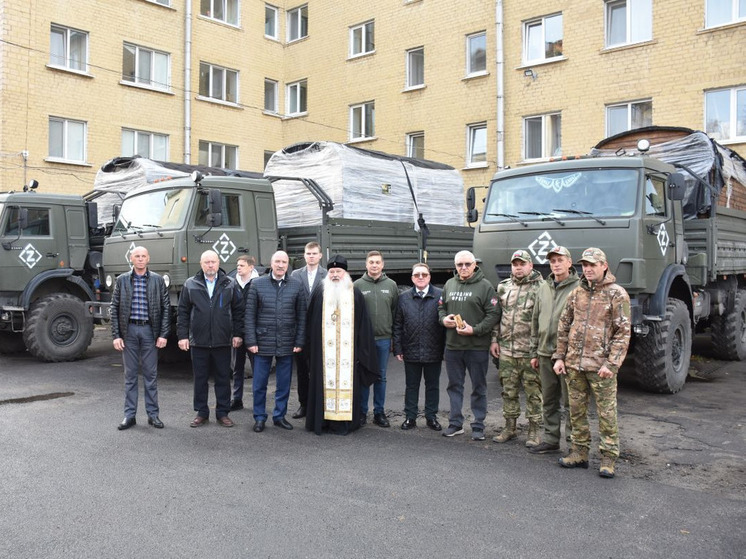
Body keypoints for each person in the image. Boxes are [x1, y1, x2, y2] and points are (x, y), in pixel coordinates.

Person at [553, 247, 631, 478]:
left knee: (606, 413)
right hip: (574, 365)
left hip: (601, 368)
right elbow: (564, 326)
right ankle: (579, 452)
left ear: (604, 265)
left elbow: (623, 332)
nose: (587, 269)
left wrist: (612, 364)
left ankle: (608, 457)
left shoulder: (617, 294)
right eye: (585, 265)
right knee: (576, 412)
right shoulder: (576, 293)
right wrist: (559, 357)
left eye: (592, 265)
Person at [305, 255, 379, 436]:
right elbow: (311, 325)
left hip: (349, 356)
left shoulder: (356, 294)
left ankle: (344, 422)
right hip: (324, 356)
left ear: (345, 273)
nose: (335, 275)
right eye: (332, 271)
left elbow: (364, 326)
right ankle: (322, 421)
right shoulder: (319, 293)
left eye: (339, 271)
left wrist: (363, 352)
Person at [177, 250, 244, 428]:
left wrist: (237, 334)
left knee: (223, 378)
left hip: (223, 341)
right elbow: (182, 312)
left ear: (218, 262)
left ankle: (222, 412)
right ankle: (202, 412)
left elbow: (238, 311)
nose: (210, 265)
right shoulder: (190, 284)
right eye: (206, 262)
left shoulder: (230, 284)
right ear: (201, 264)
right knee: (200, 379)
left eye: (213, 262)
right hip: (198, 341)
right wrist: (183, 336)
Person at [490, 250, 550, 448]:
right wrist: (494, 340)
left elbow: (544, 321)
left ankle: (534, 430)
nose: (518, 267)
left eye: (522, 263)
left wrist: (539, 351)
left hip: (529, 352)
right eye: (515, 264)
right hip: (507, 350)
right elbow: (497, 316)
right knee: (508, 391)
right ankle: (510, 427)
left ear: (530, 266)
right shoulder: (503, 287)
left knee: (534, 393)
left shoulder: (542, 287)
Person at [438, 250, 499, 440]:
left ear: (475, 265)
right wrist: (443, 320)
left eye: (467, 264)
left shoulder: (485, 286)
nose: (463, 268)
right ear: (455, 266)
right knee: (454, 386)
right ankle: (455, 423)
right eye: (459, 265)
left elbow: (494, 314)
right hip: (453, 347)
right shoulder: (449, 284)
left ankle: (478, 425)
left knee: (478, 387)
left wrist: (475, 330)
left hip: (477, 347)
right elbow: (441, 307)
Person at [245, 250, 307, 433]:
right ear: (271, 264)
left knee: (284, 383)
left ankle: (279, 416)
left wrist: (299, 340)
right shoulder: (257, 284)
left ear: (288, 265)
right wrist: (251, 340)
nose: (281, 265)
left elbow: (302, 317)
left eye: (284, 262)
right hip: (262, 341)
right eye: (277, 261)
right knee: (259, 384)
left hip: (287, 341)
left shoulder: (296, 285)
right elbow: (249, 316)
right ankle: (259, 417)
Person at [111, 246, 170, 430]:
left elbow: (166, 308)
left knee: (150, 376)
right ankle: (129, 416)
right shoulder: (121, 280)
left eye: (143, 256)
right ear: (131, 258)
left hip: (149, 332)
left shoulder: (157, 280)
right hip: (128, 331)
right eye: (137, 256)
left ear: (148, 259)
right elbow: (114, 308)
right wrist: (116, 335)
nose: (140, 259)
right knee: (130, 376)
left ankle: (153, 415)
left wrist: (163, 334)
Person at [530, 246, 580, 454]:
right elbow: (535, 319)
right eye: (552, 261)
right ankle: (551, 439)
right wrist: (534, 351)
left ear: (569, 262)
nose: (556, 264)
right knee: (549, 399)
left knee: (571, 402)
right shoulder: (543, 287)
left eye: (560, 260)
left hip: (567, 356)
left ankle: (574, 444)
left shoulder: (579, 287)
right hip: (544, 352)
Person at [392, 263, 446, 431]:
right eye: (417, 275)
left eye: (424, 274)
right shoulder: (403, 298)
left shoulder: (440, 296)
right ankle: (410, 417)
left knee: (433, 386)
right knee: (411, 386)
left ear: (429, 277)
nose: (420, 277)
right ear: (412, 278)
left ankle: (431, 417)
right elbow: (398, 325)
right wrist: (398, 348)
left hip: (433, 350)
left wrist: (445, 349)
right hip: (411, 349)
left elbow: (445, 325)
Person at [354, 250, 398, 427]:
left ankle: (379, 412)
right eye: (371, 262)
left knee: (381, 376)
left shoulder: (392, 285)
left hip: (383, 339)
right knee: (364, 375)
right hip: (364, 341)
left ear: (382, 264)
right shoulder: (357, 285)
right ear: (366, 264)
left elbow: (395, 312)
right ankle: (362, 412)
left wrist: (394, 338)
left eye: (377, 262)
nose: (374, 265)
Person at [289, 241, 327, 419]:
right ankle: (303, 404)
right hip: (301, 331)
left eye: (314, 254)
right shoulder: (295, 275)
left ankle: (319, 405)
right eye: (308, 253)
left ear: (320, 256)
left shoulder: (327, 275)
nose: (311, 256)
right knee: (302, 370)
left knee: (319, 369)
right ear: (304, 255)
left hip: (320, 331)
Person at [230, 255, 260, 411]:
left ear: (251, 267)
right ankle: (237, 399)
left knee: (258, 369)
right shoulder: (232, 284)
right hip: (237, 334)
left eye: (242, 265)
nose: (238, 267)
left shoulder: (259, 284)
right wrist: (237, 334)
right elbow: (232, 312)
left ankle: (258, 401)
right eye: (238, 265)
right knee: (237, 368)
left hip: (254, 334)